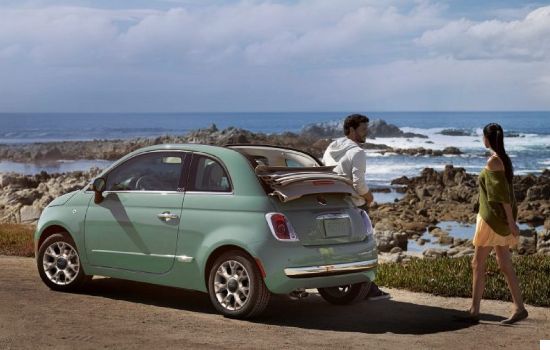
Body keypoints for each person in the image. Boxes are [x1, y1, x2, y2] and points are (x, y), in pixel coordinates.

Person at [456, 123, 528, 324]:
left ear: (488, 139)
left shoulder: (493, 162)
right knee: (504, 264)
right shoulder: (502, 159)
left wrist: (512, 222)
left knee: (478, 263)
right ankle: (519, 307)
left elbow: (502, 196)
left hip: (490, 221)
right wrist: (510, 221)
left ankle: (474, 311)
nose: (482, 139)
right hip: (495, 220)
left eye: (483, 136)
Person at [322, 113, 390, 301]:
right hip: (354, 207)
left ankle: (337, 285)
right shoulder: (357, 152)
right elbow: (359, 184)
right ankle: (367, 288)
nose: (366, 133)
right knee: (362, 248)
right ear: (351, 130)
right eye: (363, 129)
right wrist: (369, 197)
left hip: (332, 204)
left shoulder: (331, 147)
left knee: (337, 249)